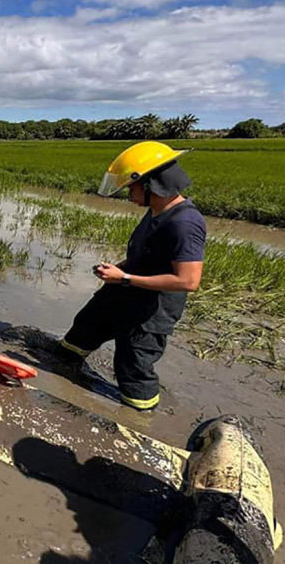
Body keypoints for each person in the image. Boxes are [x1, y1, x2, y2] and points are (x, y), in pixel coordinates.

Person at [57, 141, 206, 411]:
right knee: (84, 328)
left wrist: (123, 278)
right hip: (122, 292)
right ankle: (61, 367)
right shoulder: (157, 211)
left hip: (149, 311)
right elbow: (145, 254)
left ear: (151, 185)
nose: (129, 194)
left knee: (132, 364)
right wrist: (119, 269)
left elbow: (188, 281)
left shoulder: (185, 223)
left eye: (131, 187)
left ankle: (139, 416)